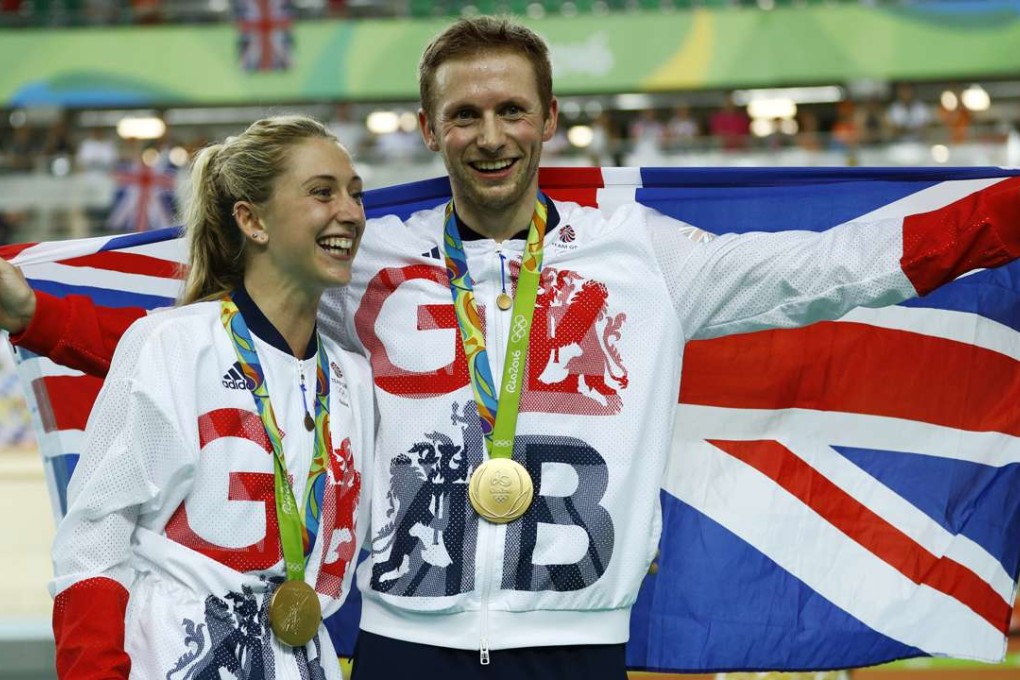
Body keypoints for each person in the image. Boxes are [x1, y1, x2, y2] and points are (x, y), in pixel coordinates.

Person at [0, 16, 1019, 680]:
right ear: (432, 128)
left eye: (511, 110)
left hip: (575, 646)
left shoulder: (645, 256)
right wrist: (28, 311)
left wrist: (1007, 214)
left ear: (548, 120)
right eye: (466, 114)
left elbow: (832, 267)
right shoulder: (369, 256)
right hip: (403, 644)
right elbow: (212, 345)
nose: (491, 134)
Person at [41, 115, 373, 679]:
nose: (351, 212)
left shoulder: (352, 380)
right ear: (252, 221)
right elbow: (95, 540)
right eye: (322, 192)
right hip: (176, 658)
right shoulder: (172, 343)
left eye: (355, 194)